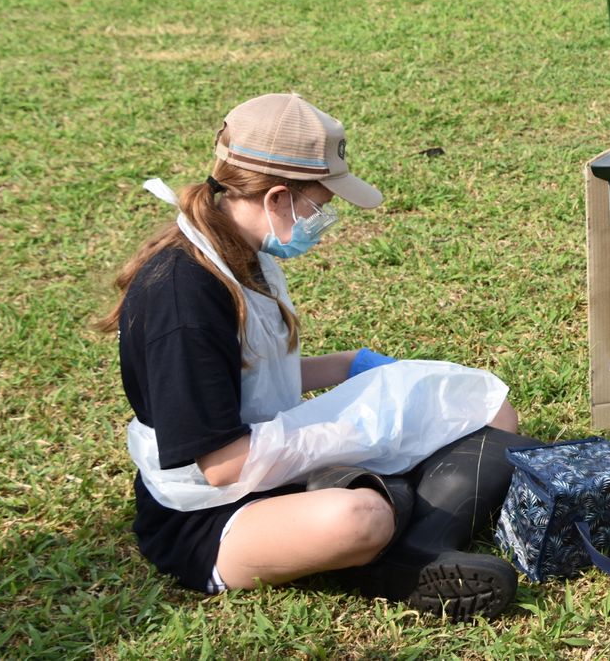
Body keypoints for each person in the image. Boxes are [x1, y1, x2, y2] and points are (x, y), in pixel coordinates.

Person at [99, 93, 537, 621]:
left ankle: (412, 546)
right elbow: (222, 466)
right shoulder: (182, 298)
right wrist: (360, 431)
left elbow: (246, 376)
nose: (323, 219)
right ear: (277, 198)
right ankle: (392, 545)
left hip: (269, 461)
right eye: (321, 204)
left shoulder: (241, 249)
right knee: (358, 517)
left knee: (492, 414)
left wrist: (349, 365)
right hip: (209, 512)